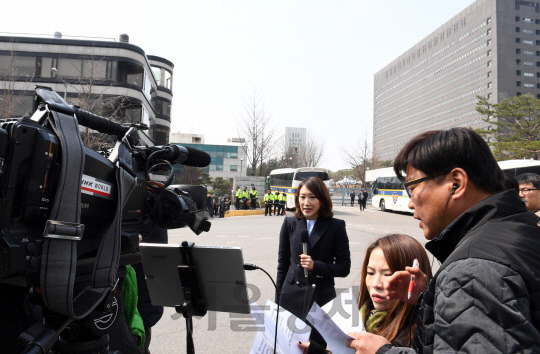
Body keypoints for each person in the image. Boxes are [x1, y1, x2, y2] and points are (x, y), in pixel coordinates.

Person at [346, 128, 540, 354]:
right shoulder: (520, 229)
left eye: (413, 189)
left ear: (456, 183)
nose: (410, 204)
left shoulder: (472, 270)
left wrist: (384, 352)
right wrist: (433, 293)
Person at [298, 234, 433, 354]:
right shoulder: (363, 316)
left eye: (388, 274)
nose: (375, 284)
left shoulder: (421, 336)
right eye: (370, 273)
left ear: (413, 280)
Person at [277, 177, 351, 347]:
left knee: (315, 347)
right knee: (288, 346)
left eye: (312, 197)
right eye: (302, 197)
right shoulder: (289, 223)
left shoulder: (336, 226)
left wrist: (316, 266)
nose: (306, 202)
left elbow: (344, 268)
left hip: (320, 298)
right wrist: (278, 300)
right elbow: (282, 264)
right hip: (290, 296)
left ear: (322, 200)